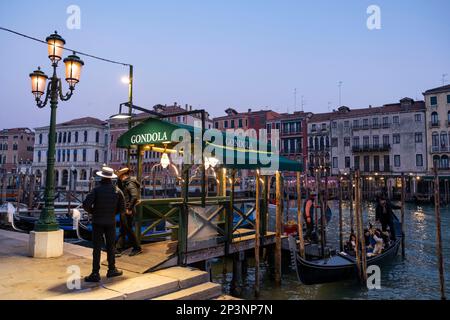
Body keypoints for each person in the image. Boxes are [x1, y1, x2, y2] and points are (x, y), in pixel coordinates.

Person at [82, 166, 124, 282]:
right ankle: (112, 269)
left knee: (96, 248)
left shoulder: (96, 190)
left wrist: (94, 212)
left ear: (101, 177)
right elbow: (122, 208)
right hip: (110, 221)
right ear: (111, 178)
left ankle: (95, 273)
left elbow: (85, 205)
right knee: (111, 246)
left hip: (97, 222)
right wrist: (112, 213)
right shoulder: (117, 190)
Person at [116, 167, 142, 256]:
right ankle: (118, 248)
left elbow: (134, 196)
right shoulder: (125, 183)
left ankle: (137, 248)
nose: (118, 177)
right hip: (125, 208)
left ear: (123, 175)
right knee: (123, 229)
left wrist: (129, 208)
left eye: (119, 176)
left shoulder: (130, 183)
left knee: (128, 229)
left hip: (127, 209)